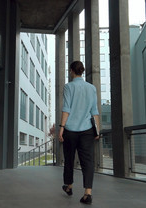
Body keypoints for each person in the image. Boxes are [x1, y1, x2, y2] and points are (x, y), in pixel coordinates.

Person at [59, 61, 100, 205]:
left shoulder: (69, 87)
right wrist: (97, 130)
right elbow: (94, 111)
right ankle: (87, 193)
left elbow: (67, 108)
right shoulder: (92, 88)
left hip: (70, 130)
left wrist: (62, 127)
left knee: (69, 159)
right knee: (88, 162)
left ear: (71, 71)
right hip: (87, 130)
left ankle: (69, 186)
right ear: (82, 71)